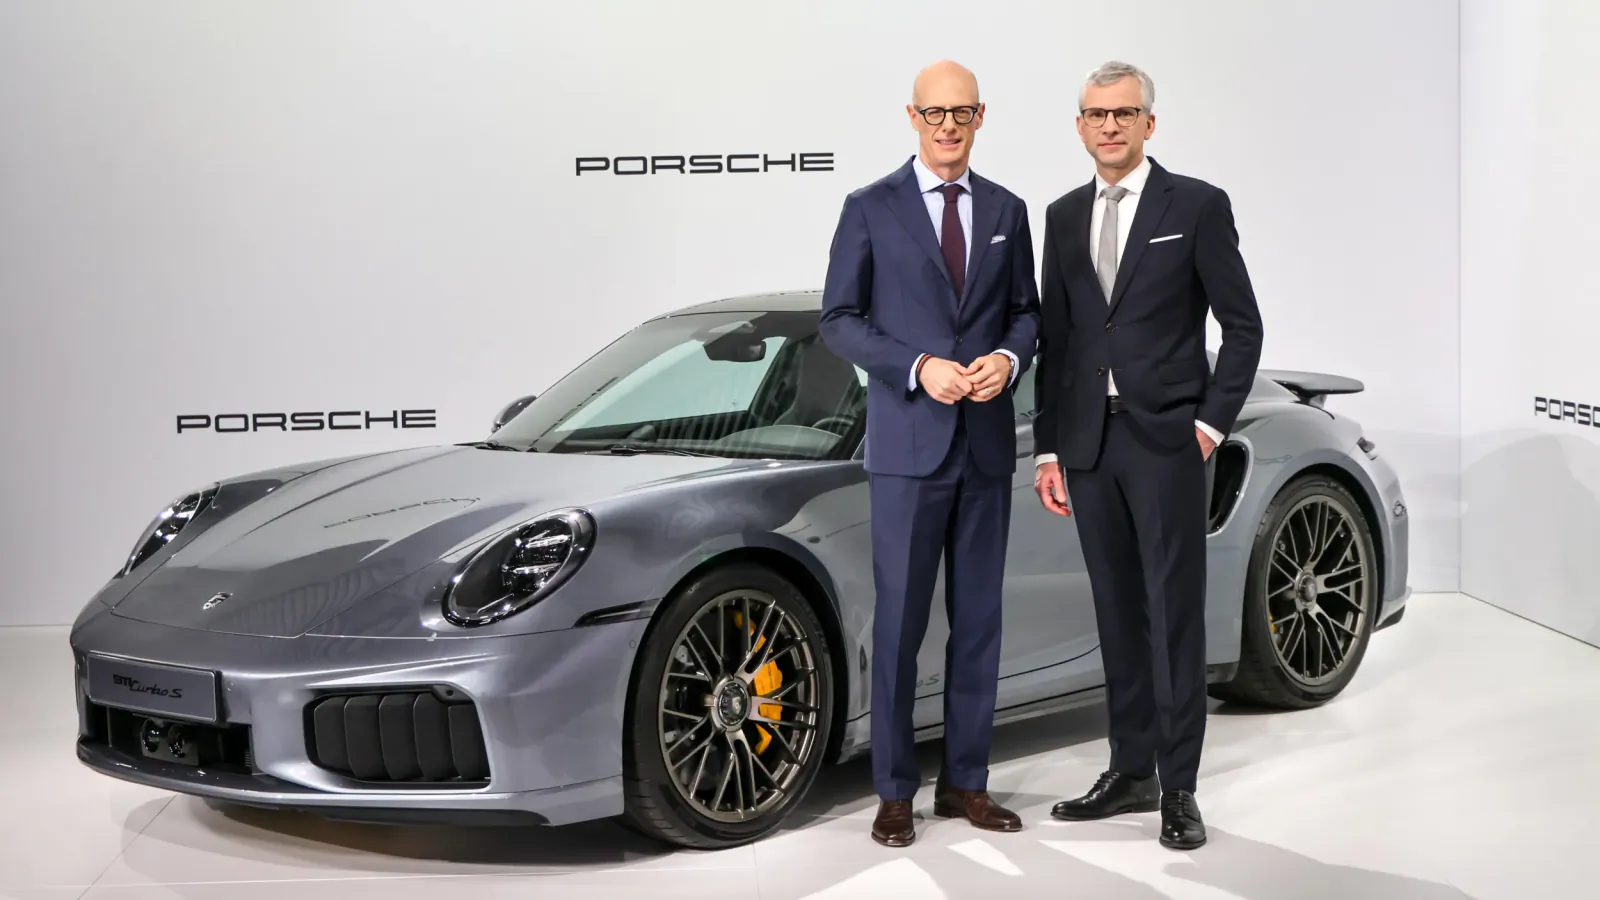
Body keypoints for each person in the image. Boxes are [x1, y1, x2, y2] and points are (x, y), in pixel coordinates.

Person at [1031, 60, 1263, 851]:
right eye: (1097, 114)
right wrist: (1050, 448)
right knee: (1116, 614)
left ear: (1149, 124)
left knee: (1173, 618)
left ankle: (1180, 786)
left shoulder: (1195, 205)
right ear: (1080, 124)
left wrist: (1208, 427)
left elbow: (1243, 327)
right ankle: (1129, 769)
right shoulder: (1062, 217)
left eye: (1125, 113)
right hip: (1088, 448)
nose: (1110, 126)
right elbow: (1058, 342)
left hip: (1166, 442)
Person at [819, 60, 1040, 848]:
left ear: (981, 117)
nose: (949, 126)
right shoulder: (869, 208)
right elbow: (838, 318)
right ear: (912, 117)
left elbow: (1026, 315)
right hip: (908, 450)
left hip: (985, 447)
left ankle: (967, 785)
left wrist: (1007, 361)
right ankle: (894, 790)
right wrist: (919, 367)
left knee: (979, 622)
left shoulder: (1009, 210)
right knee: (902, 626)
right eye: (935, 113)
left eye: (964, 113)